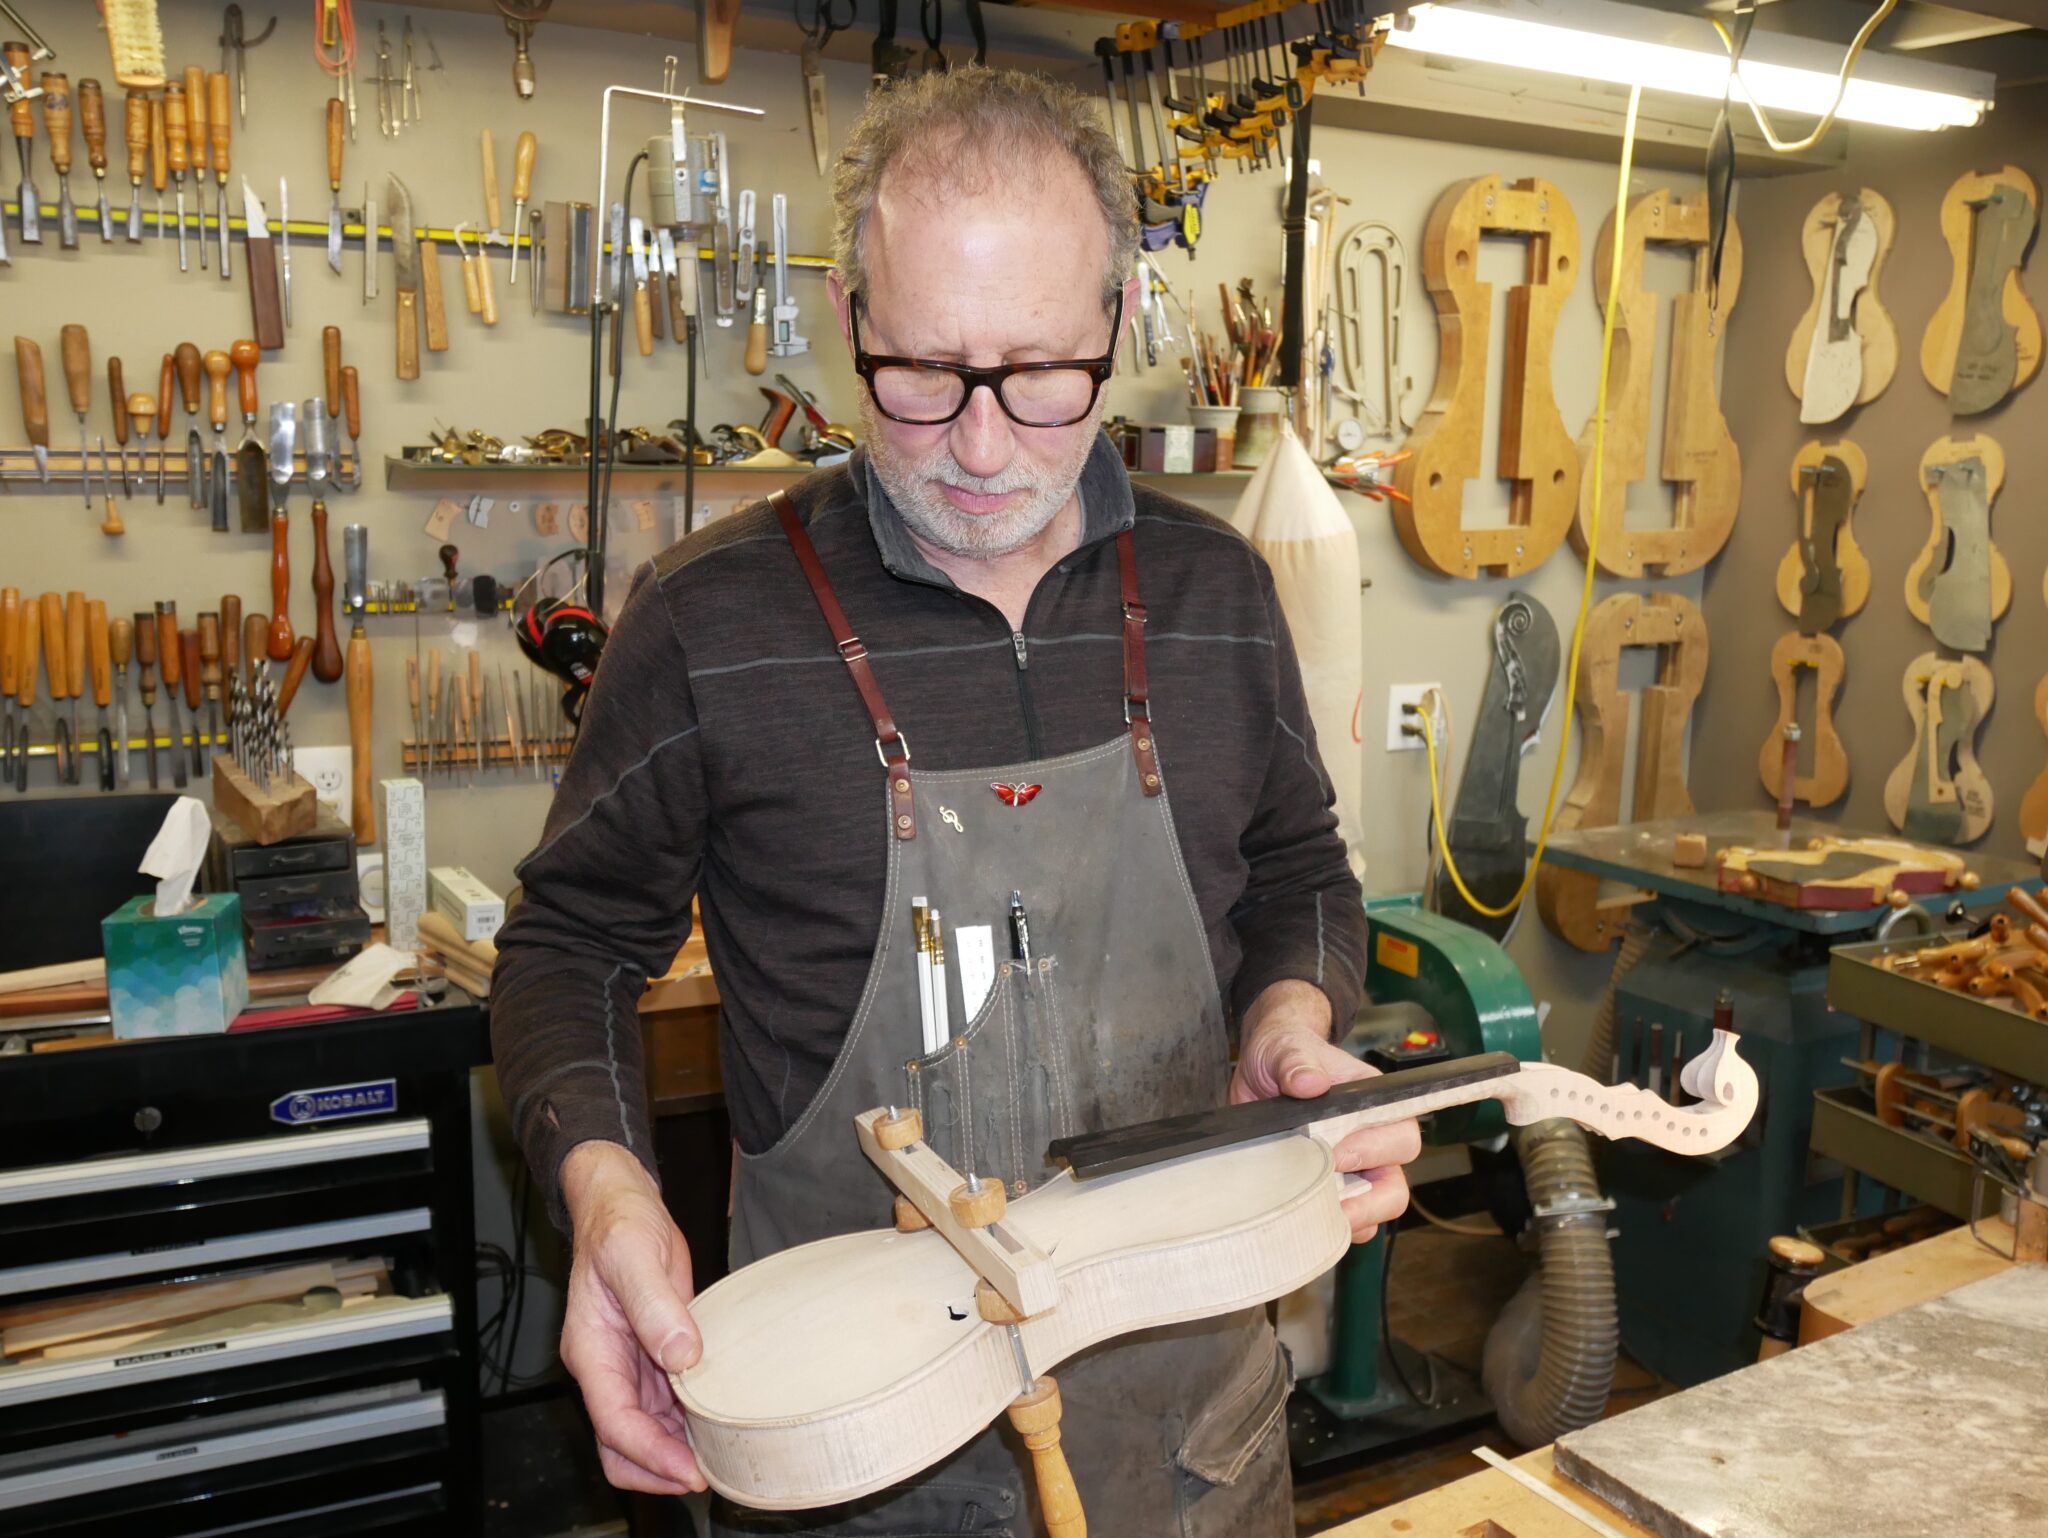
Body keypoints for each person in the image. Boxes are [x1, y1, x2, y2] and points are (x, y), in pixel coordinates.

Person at [491, 65, 1421, 1537]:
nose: (982, 449)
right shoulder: (709, 620)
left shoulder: (1217, 595)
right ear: (851, 315)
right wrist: (606, 1195)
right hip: (852, 1454)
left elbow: (1300, 868)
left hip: (1189, 1436)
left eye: (1041, 373)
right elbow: (571, 943)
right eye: (923, 371)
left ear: (1119, 318)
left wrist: (1287, 1021)